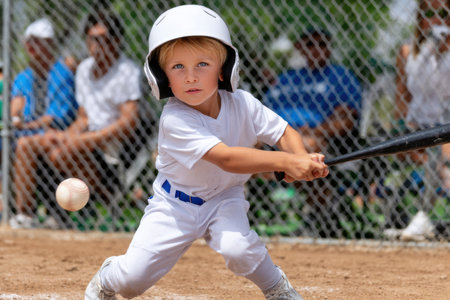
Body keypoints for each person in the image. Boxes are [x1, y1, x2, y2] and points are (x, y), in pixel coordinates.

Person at [85, 5, 328, 299]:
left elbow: (284, 133)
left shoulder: (243, 103)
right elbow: (227, 158)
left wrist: (299, 158)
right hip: (174, 205)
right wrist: (287, 161)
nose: (190, 77)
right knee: (131, 282)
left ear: (225, 69)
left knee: (239, 249)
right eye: (178, 67)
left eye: (202, 64)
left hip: (225, 198)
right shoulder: (175, 119)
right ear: (161, 78)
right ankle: (108, 276)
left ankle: (276, 287)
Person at [10, 11, 142, 228]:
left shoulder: (126, 71)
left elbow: (128, 124)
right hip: (84, 139)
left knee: (60, 152)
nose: (96, 45)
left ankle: (100, 195)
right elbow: (82, 118)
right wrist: (66, 136)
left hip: (111, 148)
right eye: (91, 39)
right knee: (27, 144)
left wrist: (83, 140)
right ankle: (25, 216)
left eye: (102, 38)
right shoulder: (83, 70)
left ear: (117, 40)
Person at [263, 28, 363, 237]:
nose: (317, 49)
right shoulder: (287, 78)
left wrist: (315, 130)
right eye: (310, 44)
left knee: (308, 145)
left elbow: (346, 119)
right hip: (277, 136)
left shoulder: (340, 75)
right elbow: (263, 113)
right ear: (300, 48)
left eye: (322, 44)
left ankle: (317, 214)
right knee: (242, 144)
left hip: (320, 138)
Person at [393, 0, 450, 241]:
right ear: (420, 18)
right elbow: (402, 96)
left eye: (442, 13)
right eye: (428, 13)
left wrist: (443, 50)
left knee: (442, 149)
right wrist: (404, 126)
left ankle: (423, 217)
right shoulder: (407, 51)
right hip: (417, 126)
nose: (435, 20)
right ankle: (423, 217)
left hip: (446, 126)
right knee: (437, 151)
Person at [5, 18, 77, 148]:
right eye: (28, 41)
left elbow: (54, 119)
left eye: (37, 41)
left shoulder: (62, 73)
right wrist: (16, 118)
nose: (31, 45)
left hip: (54, 134)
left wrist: (24, 125)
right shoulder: (23, 77)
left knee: (24, 144)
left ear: (50, 44)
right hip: (25, 133)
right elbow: (14, 112)